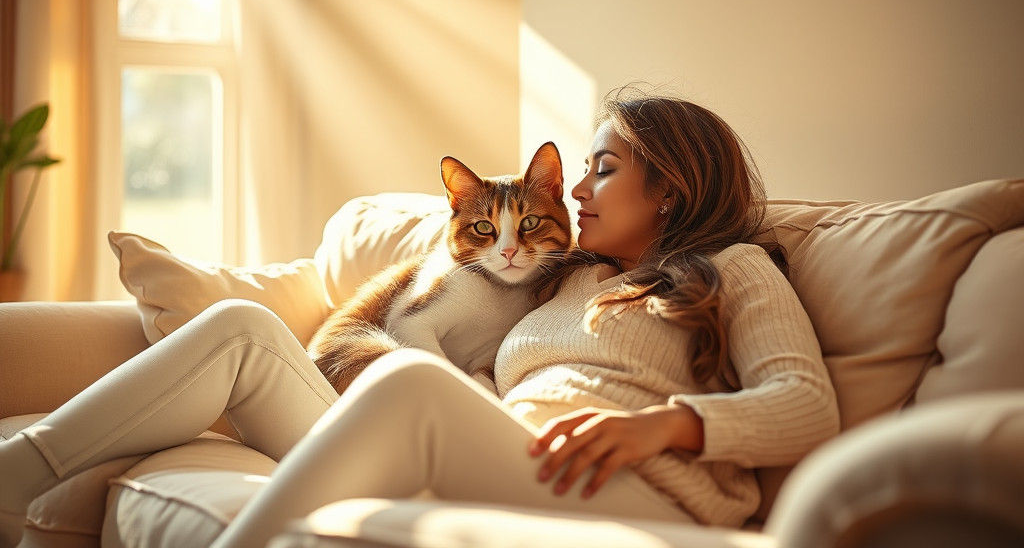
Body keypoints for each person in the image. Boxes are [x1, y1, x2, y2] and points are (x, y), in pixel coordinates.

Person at [0, 87, 841, 548]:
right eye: (581, 170)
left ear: (673, 188)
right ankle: (13, 475)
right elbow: (456, 284)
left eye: (605, 169)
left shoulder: (732, 269)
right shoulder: (567, 273)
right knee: (242, 334)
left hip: (634, 495)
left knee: (407, 382)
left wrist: (661, 428)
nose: (577, 190)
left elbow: (806, 403)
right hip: (504, 461)